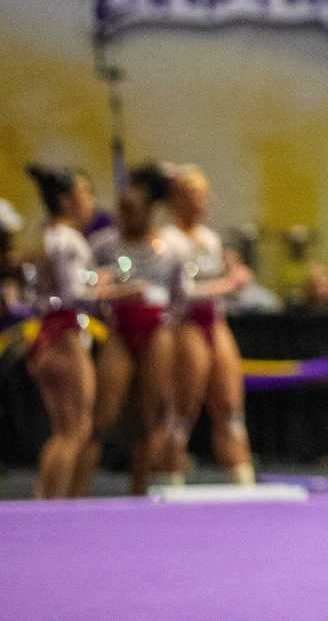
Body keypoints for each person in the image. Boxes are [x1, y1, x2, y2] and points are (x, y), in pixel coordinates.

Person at [93, 168, 184, 495]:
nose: (126, 216)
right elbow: (90, 286)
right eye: (122, 210)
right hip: (120, 329)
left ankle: (140, 488)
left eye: (133, 210)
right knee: (104, 412)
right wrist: (111, 296)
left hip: (156, 329)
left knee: (150, 414)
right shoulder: (104, 245)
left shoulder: (168, 249)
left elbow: (179, 296)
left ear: (149, 210)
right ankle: (76, 493)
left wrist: (168, 321)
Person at [164, 164, 255, 485]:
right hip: (186, 323)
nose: (203, 202)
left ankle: (242, 478)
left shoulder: (209, 238)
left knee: (230, 406)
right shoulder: (168, 240)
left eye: (205, 195)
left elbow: (215, 283)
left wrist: (232, 278)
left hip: (214, 321)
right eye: (195, 195)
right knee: (185, 408)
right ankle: (171, 476)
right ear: (177, 200)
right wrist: (228, 284)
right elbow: (179, 292)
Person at [24, 164, 97, 499]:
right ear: (66, 200)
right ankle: (50, 507)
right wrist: (122, 291)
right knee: (73, 430)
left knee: (65, 429)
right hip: (63, 336)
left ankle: (51, 501)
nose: (91, 202)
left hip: (46, 335)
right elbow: (74, 295)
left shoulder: (48, 234)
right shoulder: (69, 239)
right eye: (86, 193)